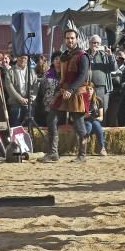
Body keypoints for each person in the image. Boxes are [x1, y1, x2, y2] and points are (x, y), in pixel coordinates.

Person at [43, 29, 91, 163]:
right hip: (63, 90)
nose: (70, 40)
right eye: (68, 38)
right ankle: (53, 153)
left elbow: (82, 76)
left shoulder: (83, 56)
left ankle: (82, 155)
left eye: (72, 38)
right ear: (64, 40)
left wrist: (71, 89)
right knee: (51, 118)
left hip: (77, 92)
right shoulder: (64, 56)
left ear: (77, 39)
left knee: (78, 124)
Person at [87, 35, 116, 129]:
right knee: (88, 110)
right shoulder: (85, 54)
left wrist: (111, 56)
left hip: (101, 88)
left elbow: (114, 68)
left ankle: (101, 132)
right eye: (93, 42)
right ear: (89, 43)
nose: (95, 45)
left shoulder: (104, 54)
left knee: (102, 112)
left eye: (97, 43)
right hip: (88, 87)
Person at [3, 54, 34, 127]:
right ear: (17, 58)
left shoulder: (32, 71)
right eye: (20, 58)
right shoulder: (10, 71)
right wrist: (20, 99)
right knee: (15, 125)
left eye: (24, 58)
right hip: (15, 103)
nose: (22, 60)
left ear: (27, 59)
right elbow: (9, 87)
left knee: (28, 126)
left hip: (28, 102)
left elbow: (35, 86)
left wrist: (31, 98)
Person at [83, 88, 107, 156]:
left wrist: (95, 118)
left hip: (95, 120)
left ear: (93, 90)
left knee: (95, 124)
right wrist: (85, 116)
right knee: (88, 125)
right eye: (87, 89)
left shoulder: (98, 100)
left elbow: (101, 117)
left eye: (90, 89)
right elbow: (75, 118)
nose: (89, 91)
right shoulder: (81, 100)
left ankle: (101, 148)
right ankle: (83, 148)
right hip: (85, 121)